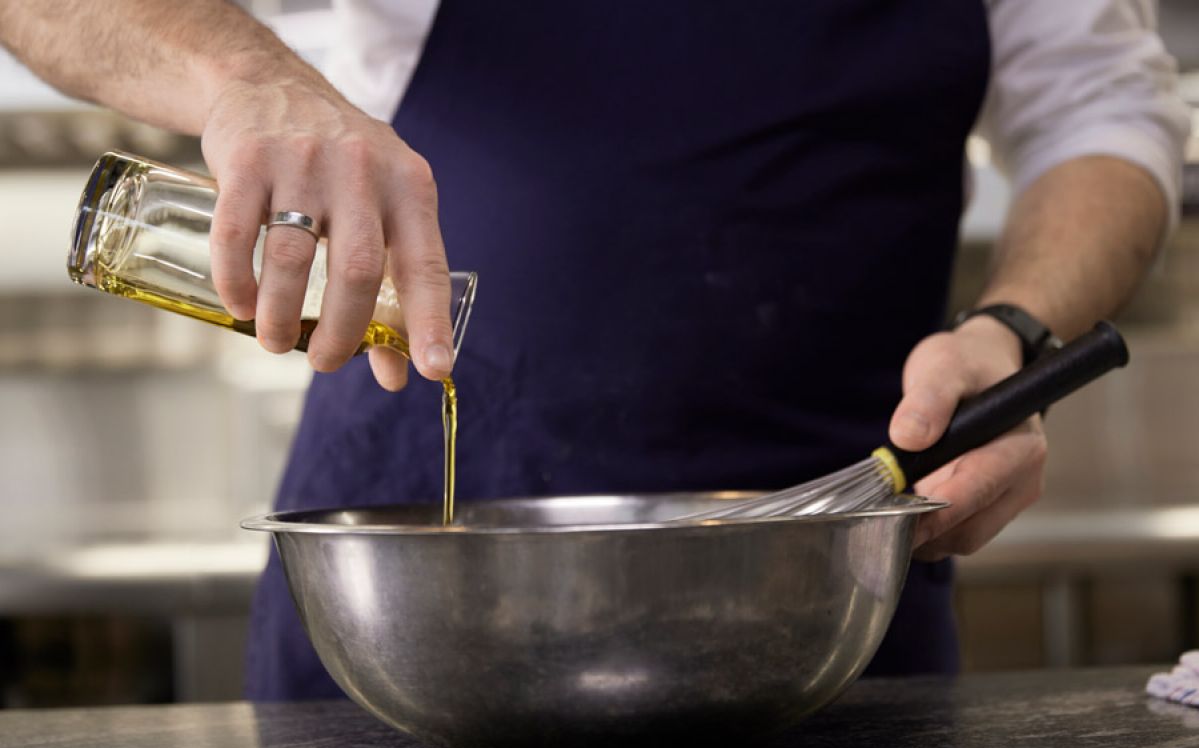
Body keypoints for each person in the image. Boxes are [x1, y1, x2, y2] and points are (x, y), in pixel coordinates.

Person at [1, 1, 1189, 698]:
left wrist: (1013, 328)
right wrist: (249, 82)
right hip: (407, 627)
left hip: (827, 608)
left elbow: (1101, 110)